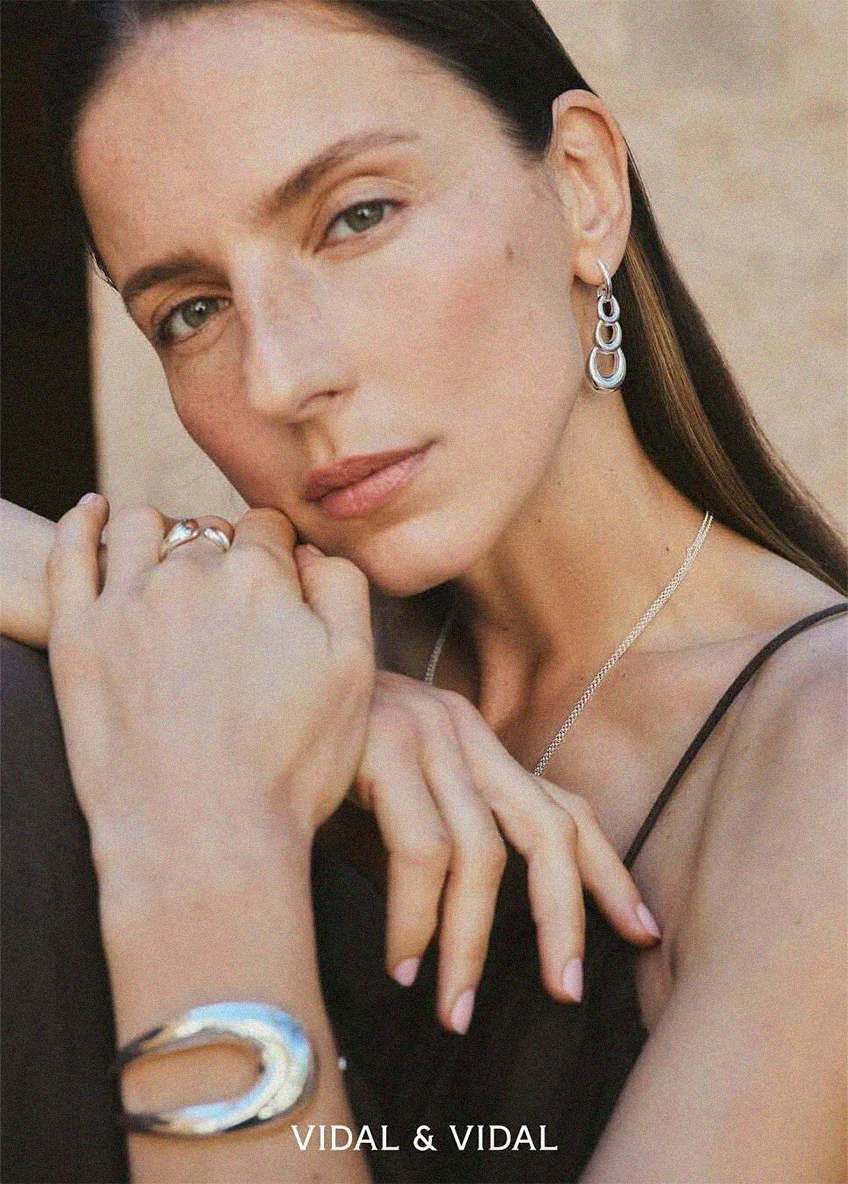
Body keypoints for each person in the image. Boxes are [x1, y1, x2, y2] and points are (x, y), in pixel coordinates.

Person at [1, 1, 845, 1181]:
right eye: (191, 310)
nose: (280, 376)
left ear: (583, 188)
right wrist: (324, 688)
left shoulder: (818, 752)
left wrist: (205, 839)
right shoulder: (258, 646)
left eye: (356, 216)